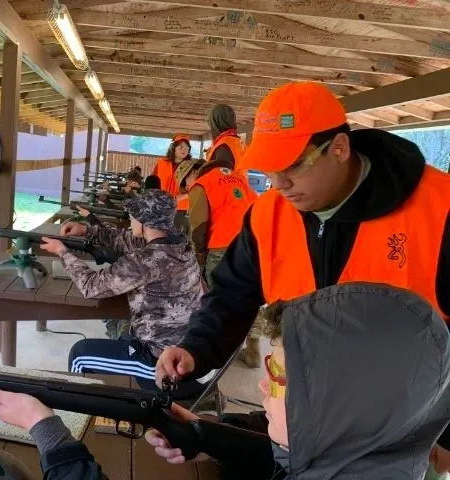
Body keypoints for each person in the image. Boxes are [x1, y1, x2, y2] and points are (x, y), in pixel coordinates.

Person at [156, 81, 450, 471]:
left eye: (293, 165)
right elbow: (231, 293)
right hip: (303, 419)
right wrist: (196, 347)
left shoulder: (439, 209)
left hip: (407, 441)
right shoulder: (269, 215)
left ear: (340, 148)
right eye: (271, 169)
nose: (278, 184)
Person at [0, 282, 450, 479]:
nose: (263, 387)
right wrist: (206, 437)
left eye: (280, 377)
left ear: (343, 403)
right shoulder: (365, 454)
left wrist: (47, 432)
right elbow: (298, 457)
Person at [39, 190, 207, 397]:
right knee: (122, 337)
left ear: (145, 222)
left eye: (133, 215)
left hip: (159, 362)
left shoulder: (144, 261)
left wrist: (63, 253)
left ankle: (76, 415)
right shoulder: (180, 244)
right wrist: (86, 230)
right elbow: (126, 239)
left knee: (80, 355)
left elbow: (91, 287)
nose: (130, 219)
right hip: (180, 346)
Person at [189, 104, 260, 367]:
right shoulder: (241, 181)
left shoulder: (205, 181)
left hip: (220, 247)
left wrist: (197, 257)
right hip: (247, 242)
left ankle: (215, 352)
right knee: (248, 296)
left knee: (219, 300)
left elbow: (198, 228)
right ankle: (252, 348)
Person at [172, 158, 203, 236]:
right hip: (181, 213)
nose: (196, 174)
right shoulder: (188, 190)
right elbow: (173, 199)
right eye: (193, 172)